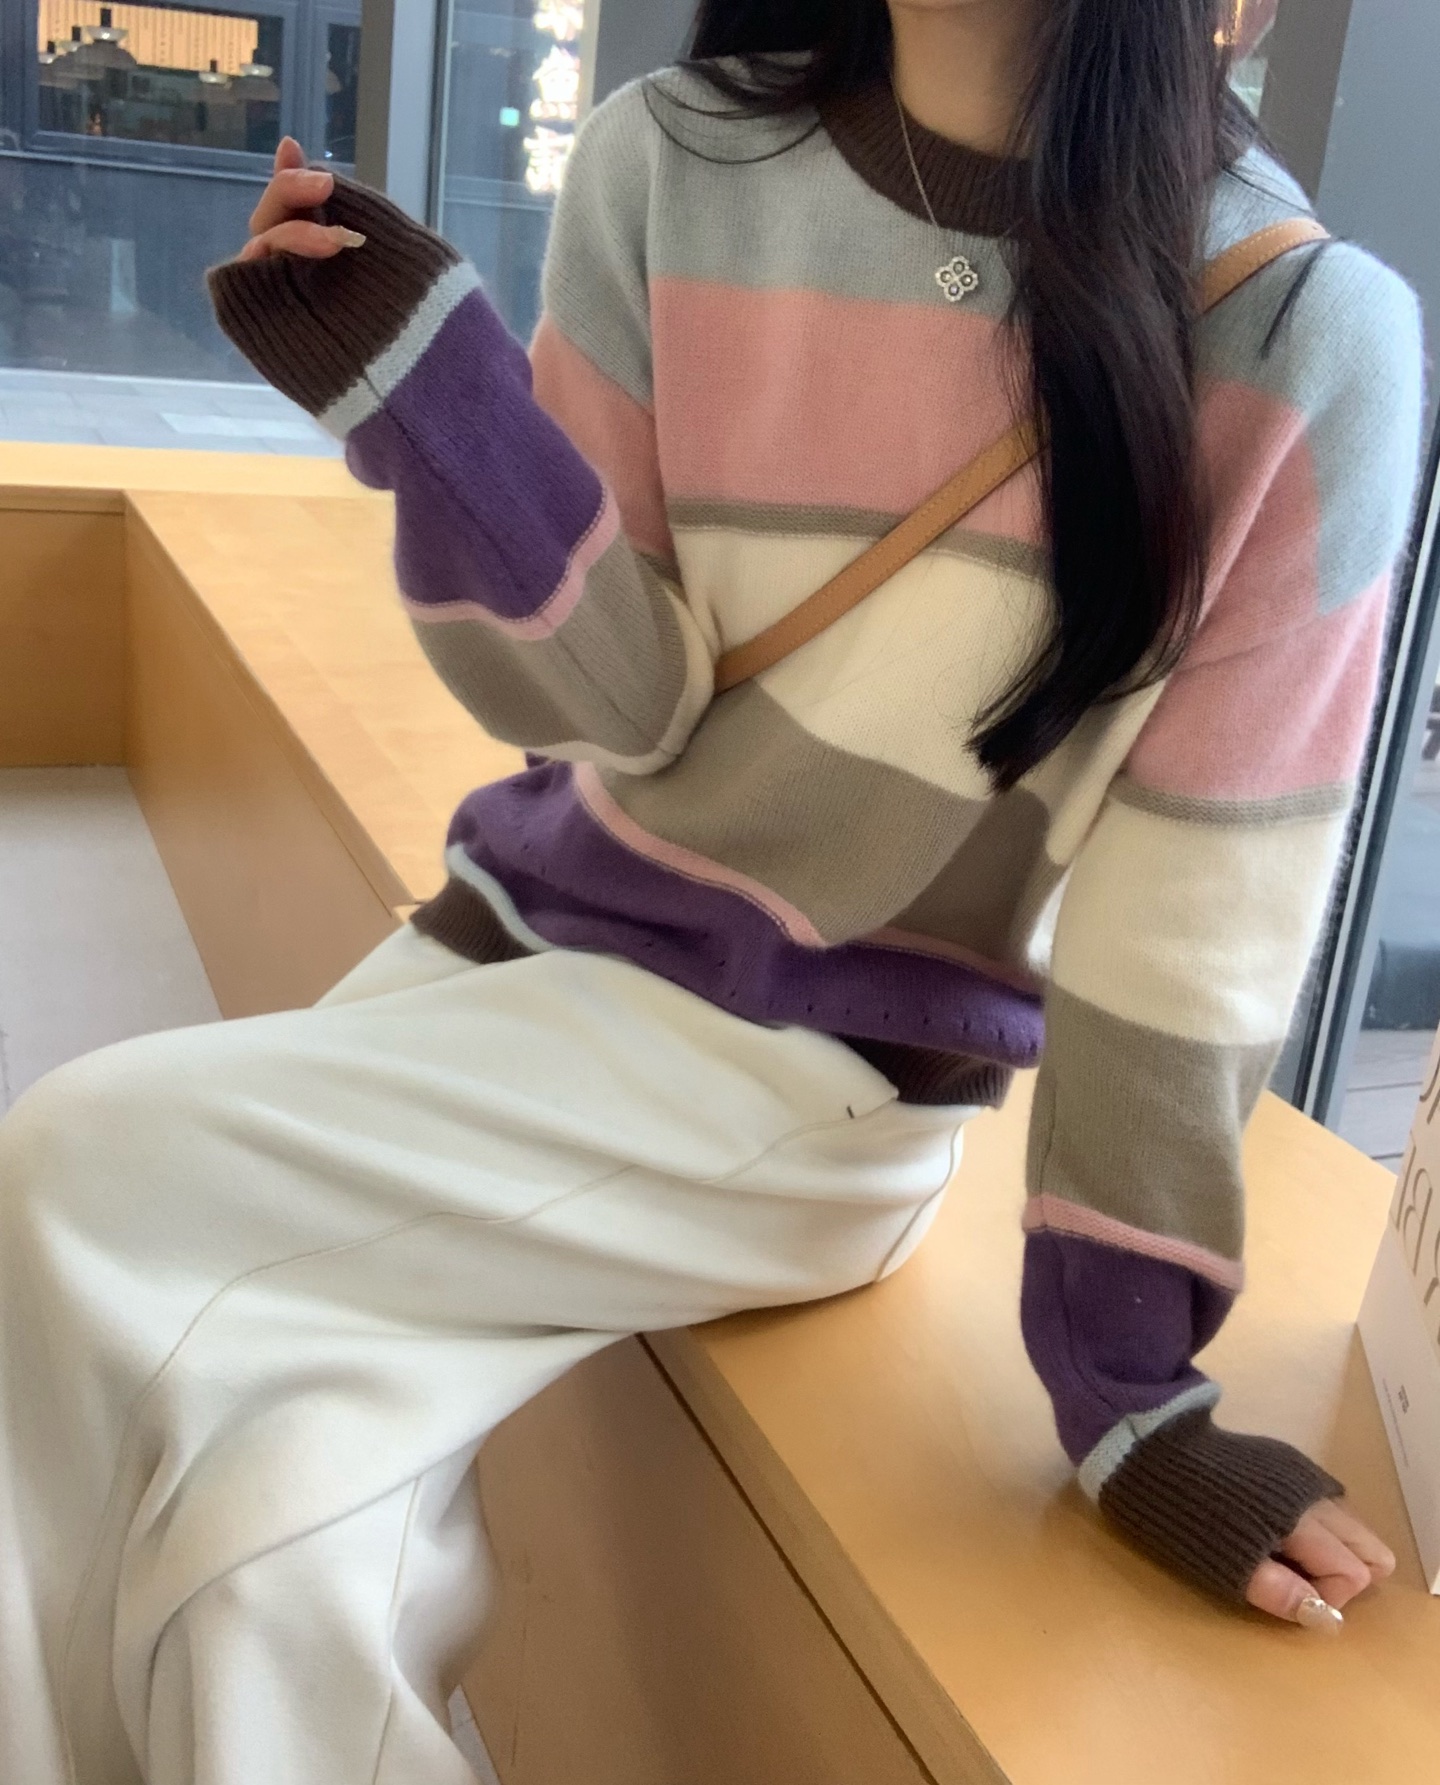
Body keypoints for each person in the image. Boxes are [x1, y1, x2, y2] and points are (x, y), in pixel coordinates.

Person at [0, 1, 1424, 1778]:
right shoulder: (672, 157)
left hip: (814, 1077)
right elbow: (617, 700)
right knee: (275, 1500)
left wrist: (1133, 1389)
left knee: (74, 1168)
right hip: (522, 943)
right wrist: (431, 402)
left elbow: (1194, 926)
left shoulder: (1298, 334)